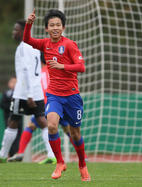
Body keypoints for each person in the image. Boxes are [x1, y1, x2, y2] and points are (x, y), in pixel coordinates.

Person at [23, 9, 90, 181]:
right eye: (51, 25)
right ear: (46, 28)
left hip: (72, 97)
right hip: (54, 95)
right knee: (51, 126)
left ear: (63, 27)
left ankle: (82, 165)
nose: (55, 28)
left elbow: (81, 67)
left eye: (58, 25)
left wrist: (62, 66)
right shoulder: (45, 44)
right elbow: (26, 40)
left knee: (75, 134)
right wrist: (29, 24)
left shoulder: (69, 44)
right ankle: (60, 162)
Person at [0, 19, 47, 163]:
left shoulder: (23, 46)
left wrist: (29, 94)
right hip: (36, 91)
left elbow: (26, 70)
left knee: (13, 121)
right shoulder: (35, 47)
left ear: (22, 31)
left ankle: (2, 155)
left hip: (24, 93)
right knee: (42, 121)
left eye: (16, 30)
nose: (13, 32)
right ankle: (52, 155)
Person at [0, 77, 23, 157]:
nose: (14, 84)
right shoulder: (6, 93)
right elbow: (2, 104)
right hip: (8, 117)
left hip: (19, 118)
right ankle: (7, 153)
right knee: (9, 133)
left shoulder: (22, 94)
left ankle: (15, 153)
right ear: (9, 84)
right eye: (12, 82)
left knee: (18, 136)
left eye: (15, 82)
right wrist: (12, 107)